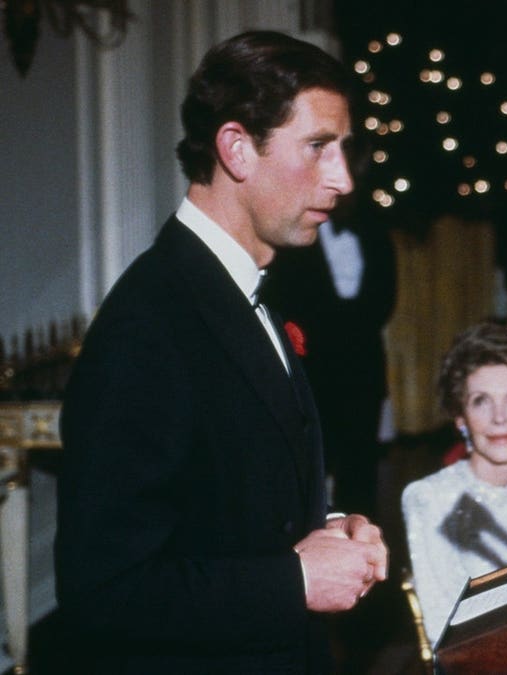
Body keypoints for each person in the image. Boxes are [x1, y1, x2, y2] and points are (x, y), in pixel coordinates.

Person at [55, 31, 387, 673]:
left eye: (342, 150)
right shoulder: (149, 325)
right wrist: (296, 581)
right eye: (318, 147)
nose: (342, 179)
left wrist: (330, 529)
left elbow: (227, 503)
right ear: (236, 148)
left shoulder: (242, 287)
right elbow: (102, 591)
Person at [402, 324, 507, 643]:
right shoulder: (429, 497)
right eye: (481, 401)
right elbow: (442, 629)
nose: (500, 417)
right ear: (461, 418)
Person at [264, 193, 397, 520]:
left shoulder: (374, 234)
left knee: (361, 466)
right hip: (315, 370)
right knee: (313, 462)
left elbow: (386, 297)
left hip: (364, 367)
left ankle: (361, 538)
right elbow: (283, 298)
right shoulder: (296, 235)